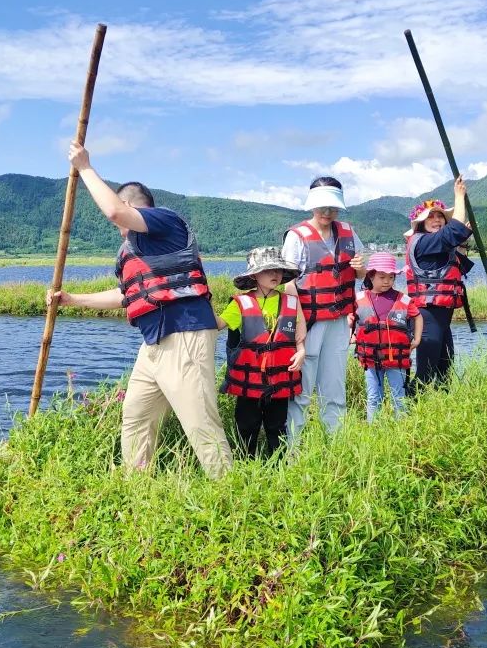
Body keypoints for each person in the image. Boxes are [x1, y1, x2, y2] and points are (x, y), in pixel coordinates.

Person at [47, 141, 233, 479]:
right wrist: (72, 300)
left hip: (186, 334)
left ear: (130, 205)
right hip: (154, 343)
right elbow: (126, 295)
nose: (115, 221)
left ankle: (229, 491)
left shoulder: (166, 222)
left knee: (200, 422)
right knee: (136, 415)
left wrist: (85, 166)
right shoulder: (129, 251)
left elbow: (115, 212)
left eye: (121, 208)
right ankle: (136, 483)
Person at [281, 176, 365, 440]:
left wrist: (360, 267)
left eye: (332, 207)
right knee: (301, 390)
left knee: (334, 388)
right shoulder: (297, 237)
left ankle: (336, 444)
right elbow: (288, 284)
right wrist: (299, 327)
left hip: (339, 320)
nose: (327, 212)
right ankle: (294, 449)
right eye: (322, 207)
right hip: (308, 321)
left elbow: (361, 274)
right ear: (311, 205)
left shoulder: (349, 233)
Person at [216, 247, 307, 458]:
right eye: (268, 270)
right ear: (255, 275)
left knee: (277, 427)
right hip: (249, 382)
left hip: (280, 379)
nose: (275, 274)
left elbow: (298, 337)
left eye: (278, 270)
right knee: (246, 427)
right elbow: (218, 324)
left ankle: (278, 466)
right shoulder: (240, 304)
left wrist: (301, 352)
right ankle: (246, 465)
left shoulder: (290, 302)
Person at [403, 176, 474, 386]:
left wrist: (460, 246)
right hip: (428, 315)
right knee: (425, 373)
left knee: (444, 370)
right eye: (430, 217)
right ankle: (409, 410)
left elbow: (454, 265)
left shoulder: (435, 246)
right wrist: (459, 196)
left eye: (440, 216)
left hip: (442, 317)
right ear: (421, 224)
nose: (437, 220)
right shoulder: (423, 242)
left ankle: (444, 411)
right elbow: (454, 230)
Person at [351, 253, 423, 421]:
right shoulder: (359, 298)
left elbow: (418, 316)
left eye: (391, 277)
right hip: (370, 359)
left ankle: (402, 430)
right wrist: (351, 333)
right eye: (382, 277)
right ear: (371, 276)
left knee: (399, 396)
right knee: (374, 396)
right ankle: (373, 429)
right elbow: (352, 318)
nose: (387, 281)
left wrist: (417, 339)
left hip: (395, 360)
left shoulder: (403, 299)